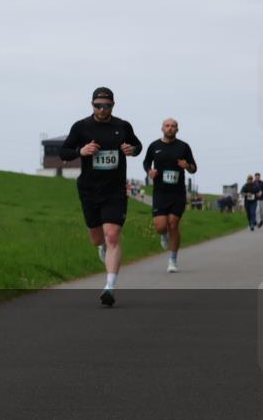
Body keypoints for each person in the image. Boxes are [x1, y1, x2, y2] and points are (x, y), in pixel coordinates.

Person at [60, 87, 142, 307]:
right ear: (92, 105)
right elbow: (64, 152)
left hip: (115, 190)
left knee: (112, 235)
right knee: (98, 239)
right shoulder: (81, 127)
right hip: (89, 190)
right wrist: (81, 151)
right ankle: (102, 248)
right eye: (98, 105)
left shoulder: (122, 126)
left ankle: (110, 287)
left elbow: (138, 146)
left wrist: (132, 150)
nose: (102, 109)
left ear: (113, 105)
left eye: (106, 105)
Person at [143, 118, 197, 273]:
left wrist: (187, 166)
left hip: (177, 193)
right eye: (167, 126)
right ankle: (163, 234)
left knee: (173, 224)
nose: (170, 128)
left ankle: (173, 259)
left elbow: (194, 168)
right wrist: (149, 171)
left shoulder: (183, 147)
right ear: (162, 128)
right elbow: (146, 162)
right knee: (161, 227)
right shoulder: (154, 146)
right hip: (160, 192)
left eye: (173, 126)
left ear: (177, 130)